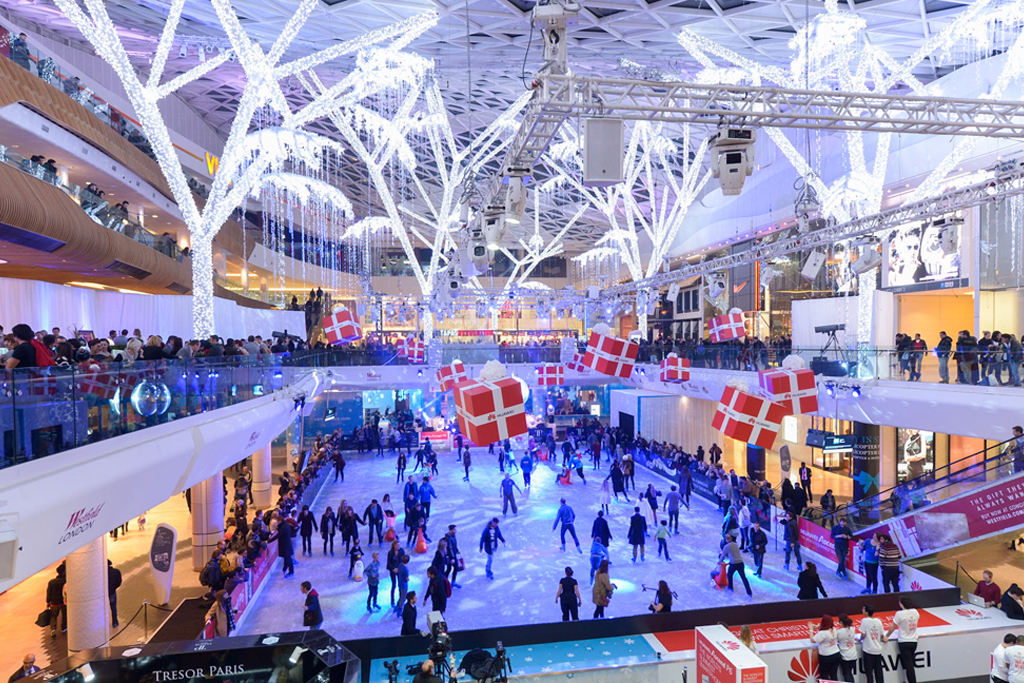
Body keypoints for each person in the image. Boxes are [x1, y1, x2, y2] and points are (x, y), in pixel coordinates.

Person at [886, 595, 921, 683]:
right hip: (914, 641)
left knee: (909, 666)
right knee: (909, 664)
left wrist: (887, 636)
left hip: (904, 642)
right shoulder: (915, 612)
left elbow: (893, 627)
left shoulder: (900, 614)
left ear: (901, 604)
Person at [859, 604, 885, 683]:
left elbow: (863, 635)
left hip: (868, 650)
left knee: (869, 672)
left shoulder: (864, 621)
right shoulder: (878, 621)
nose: (862, 610)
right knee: (878, 672)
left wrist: (860, 639)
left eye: (863, 609)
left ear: (866, 612)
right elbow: (881, 635)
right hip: (877, 650)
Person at [810, 614, 841, 681]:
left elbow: (813, 640)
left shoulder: (822, 633)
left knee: (824, 674)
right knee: (834, 674)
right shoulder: (834, 630)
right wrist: (818, 626)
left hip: (826, 656)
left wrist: (811, 630)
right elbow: (827, 627)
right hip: (836, 653)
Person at [45, 564, 66, 639]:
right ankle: (63, 628)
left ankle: (53, 629)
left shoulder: (52, 582)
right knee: (64, 615)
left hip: (54, 602)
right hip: (63, 602)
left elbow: (49, 592)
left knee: (53, 616)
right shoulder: (65, 581)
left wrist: (48, 601)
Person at [835, 613, 858, 682]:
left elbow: (836, 640)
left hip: (845, 656)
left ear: (841, 622)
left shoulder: (839, 632)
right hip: (853, 655)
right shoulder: (852, 629)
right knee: (850, 673)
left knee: (847, 674)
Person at [107, 559, 122, 628]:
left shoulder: (101, 574)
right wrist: (114, 587)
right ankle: (115, 622)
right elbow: (119, 582)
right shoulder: (116, 572)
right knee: (113, 607)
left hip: (103, 594)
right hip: (112, 591)